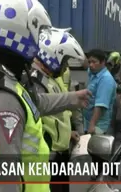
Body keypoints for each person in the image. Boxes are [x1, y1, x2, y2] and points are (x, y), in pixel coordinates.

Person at [0, 0, 90, 192]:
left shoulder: (3, 83)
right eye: (38, 33)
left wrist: (72, 98)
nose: (40, 43)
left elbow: (33, 103)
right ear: (19, 33)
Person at [26, 27, 85, 192]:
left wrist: (68, 134)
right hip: (48, 158)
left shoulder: (51, 78)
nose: (65, 66)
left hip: (59, 154)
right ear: (53, 56)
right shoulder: (35, 82)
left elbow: (59, 115)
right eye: (64, 61)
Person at [83, 49, 117, 134]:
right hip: (88, 122)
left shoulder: (106, 79)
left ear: (103, 62)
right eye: (89, 62)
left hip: (99, 127)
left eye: (94, 62)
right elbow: (84, 64)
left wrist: (92, 125)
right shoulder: (94, 73)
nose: (91, 65)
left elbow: (100, 105)